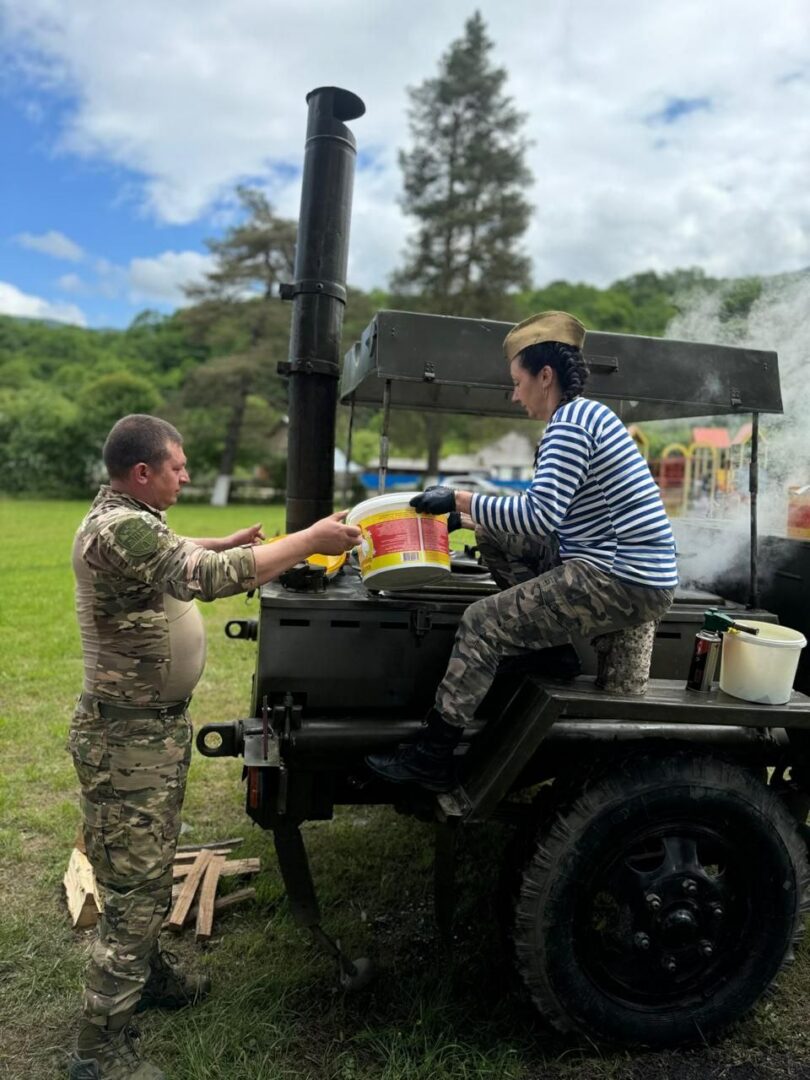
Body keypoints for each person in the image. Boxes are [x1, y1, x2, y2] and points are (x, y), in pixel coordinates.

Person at [69, 414, 361, 1080]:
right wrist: (308, 539)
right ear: (142, 473)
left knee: (146, 867)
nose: (187, 474)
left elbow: (170, 546)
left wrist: (223, 537)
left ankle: (147, 977)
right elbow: (203, 575)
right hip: (126, 740)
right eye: (177, 466)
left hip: (144, 733)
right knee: (138, 893)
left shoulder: (125, 519)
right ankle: (98, 1052)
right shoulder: (119, 529)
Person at [367, 310, 678, 793]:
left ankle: (433, 756)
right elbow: (538, 520)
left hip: (624, 578)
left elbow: (539, 516)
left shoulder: (571, 424)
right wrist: (464, 520)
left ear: (545, 376)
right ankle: (550, 652)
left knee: (481, 622)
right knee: (492, 534)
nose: (514, 395)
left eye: (517, 382)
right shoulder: (586, 416)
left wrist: (459, 498)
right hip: (617, 564)